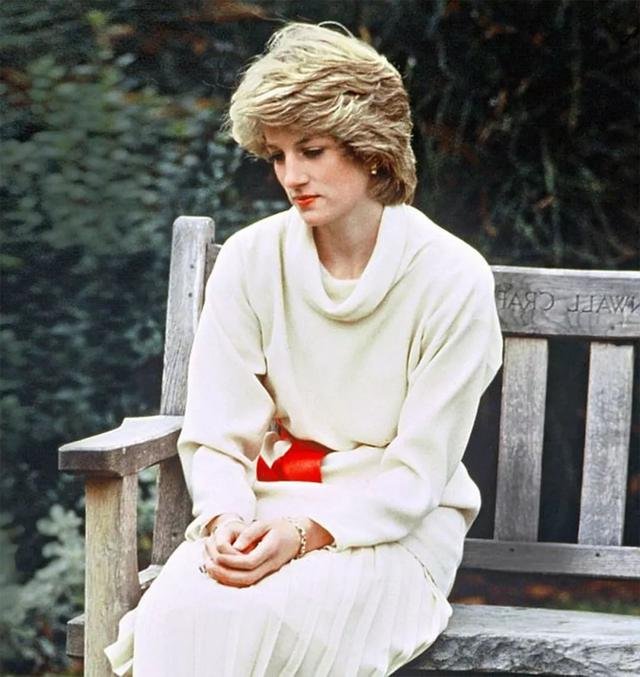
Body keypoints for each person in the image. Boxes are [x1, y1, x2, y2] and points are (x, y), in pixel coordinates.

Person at [105, 21, 503, 677]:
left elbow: (419, 472)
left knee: (268, 617)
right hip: (266, 512)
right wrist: (225, 520)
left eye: (312, 150)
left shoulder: (452, 278)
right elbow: (218, 435)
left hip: (394, 530)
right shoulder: (250, 261)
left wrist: (305, 534)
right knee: (182, 610)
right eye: (277, 155)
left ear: (371, 149)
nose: (292, 176)